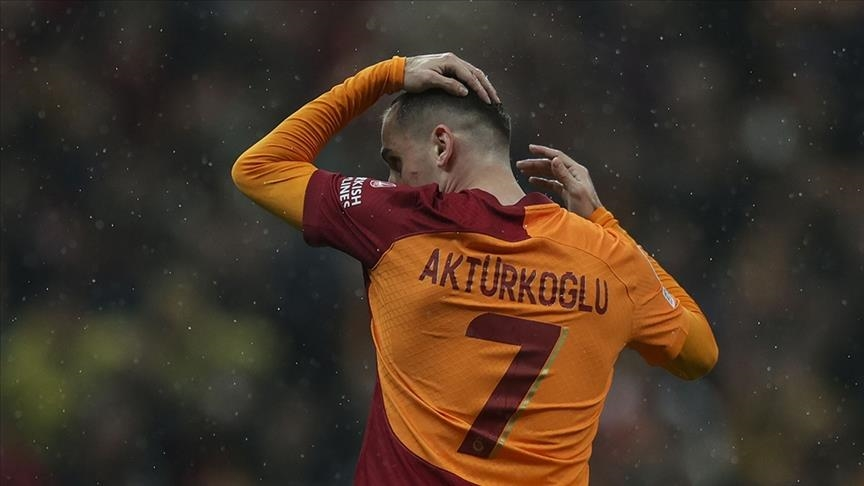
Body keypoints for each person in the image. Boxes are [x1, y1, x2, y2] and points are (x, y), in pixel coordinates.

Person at [232, 53, 718, 485]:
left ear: (441, 147)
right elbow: (699, 353)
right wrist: (605, 224)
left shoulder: (399, 221)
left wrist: (386, 75)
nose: (391, 182)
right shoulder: (607, 259)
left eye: (396, 162)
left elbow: (259, 169)